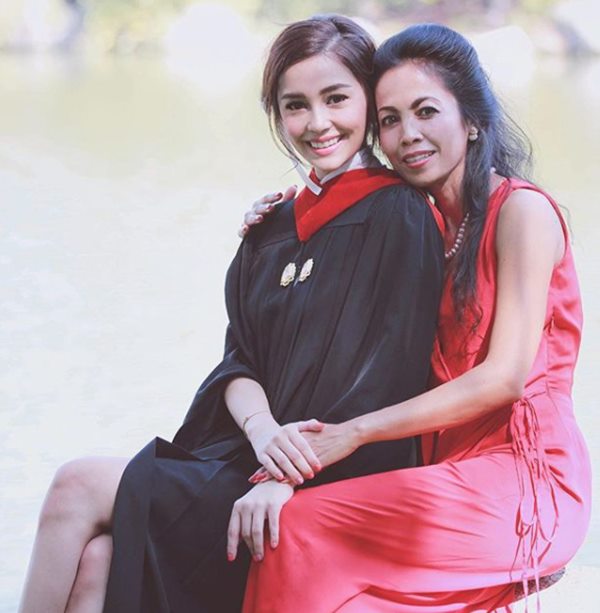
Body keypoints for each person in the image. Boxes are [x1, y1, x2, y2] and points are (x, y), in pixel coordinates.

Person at [18, 15, 444, 613]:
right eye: (295, 106)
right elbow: (238, 361)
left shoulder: (398, 214)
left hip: (334, 474)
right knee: (96, 564)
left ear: (370, 102)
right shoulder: (271, 228)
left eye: (336, 98)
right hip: (253, 452)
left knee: (76, 485)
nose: (317, 123)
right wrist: (264, 432)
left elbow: (388, 371)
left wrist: (287, 473)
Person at [239, 23, 591, 613]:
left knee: (291, 528)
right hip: (442, 470)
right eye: (390, 120)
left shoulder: (521, 212)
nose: (408, 135)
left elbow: (504, 378)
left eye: (426, 112)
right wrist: (275, 223)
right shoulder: (423, 227)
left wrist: (351, 434)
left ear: (471, 120)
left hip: (526, 480)